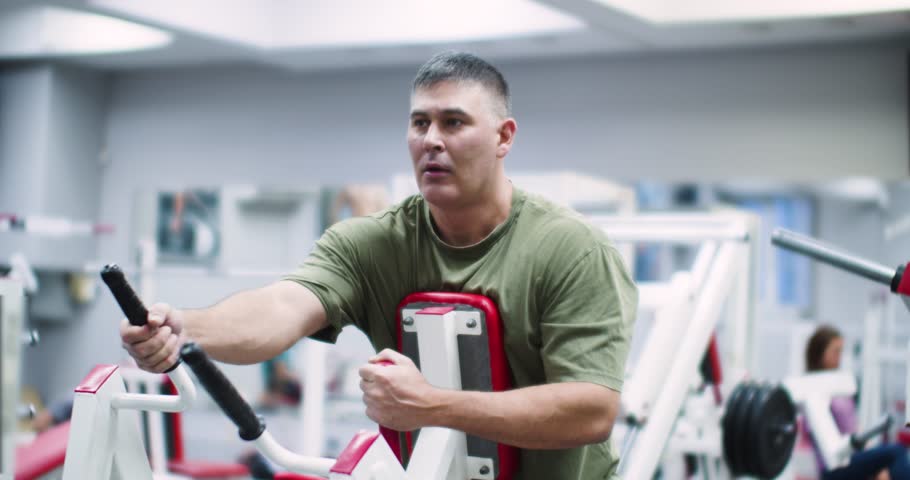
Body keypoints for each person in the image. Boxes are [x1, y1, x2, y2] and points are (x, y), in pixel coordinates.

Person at [120, 51, 638, 480]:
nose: (431, 140)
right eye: (420, 123)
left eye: (454, 122)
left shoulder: (572, 250)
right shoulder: (372, 243)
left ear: (504, 137)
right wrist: (186, 328)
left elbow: (591, 409)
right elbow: (280, 308)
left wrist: (434, 405)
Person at [805, 324, 909, 480]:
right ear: (820, 353)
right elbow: (815, 432)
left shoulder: (841, 385)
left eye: (841, 351)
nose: (839, 357)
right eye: (835, 351)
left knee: (893, 462)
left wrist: (875, 463)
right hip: (834, 465)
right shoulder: (812, 389)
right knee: (897, 451)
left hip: (854, 457)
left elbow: (854, 430)